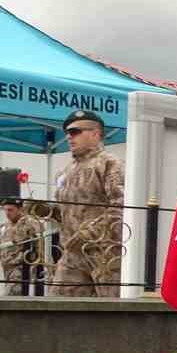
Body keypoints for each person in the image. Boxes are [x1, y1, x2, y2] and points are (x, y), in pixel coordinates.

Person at [32, 111, 125, 297]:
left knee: (111, 307)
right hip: (72, 254)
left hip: (103, 252)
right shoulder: (67, 171)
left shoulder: (109, 163)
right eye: (67, 133)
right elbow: (67, 212)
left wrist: (88, 233)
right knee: (56, 305)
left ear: (95, 134)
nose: (68, 137)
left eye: (75, 132)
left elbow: (121, 208)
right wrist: (47, 211)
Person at [0, 199, 48, 296]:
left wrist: (35, 264)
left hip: (21, 268)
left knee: (10, 297)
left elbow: (40, 244)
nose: (7, 213)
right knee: (14, 298)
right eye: (5, 210)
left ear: (20, 209)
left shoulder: (31, 223)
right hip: (7, 269)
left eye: (10, 210)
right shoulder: (5, 227)